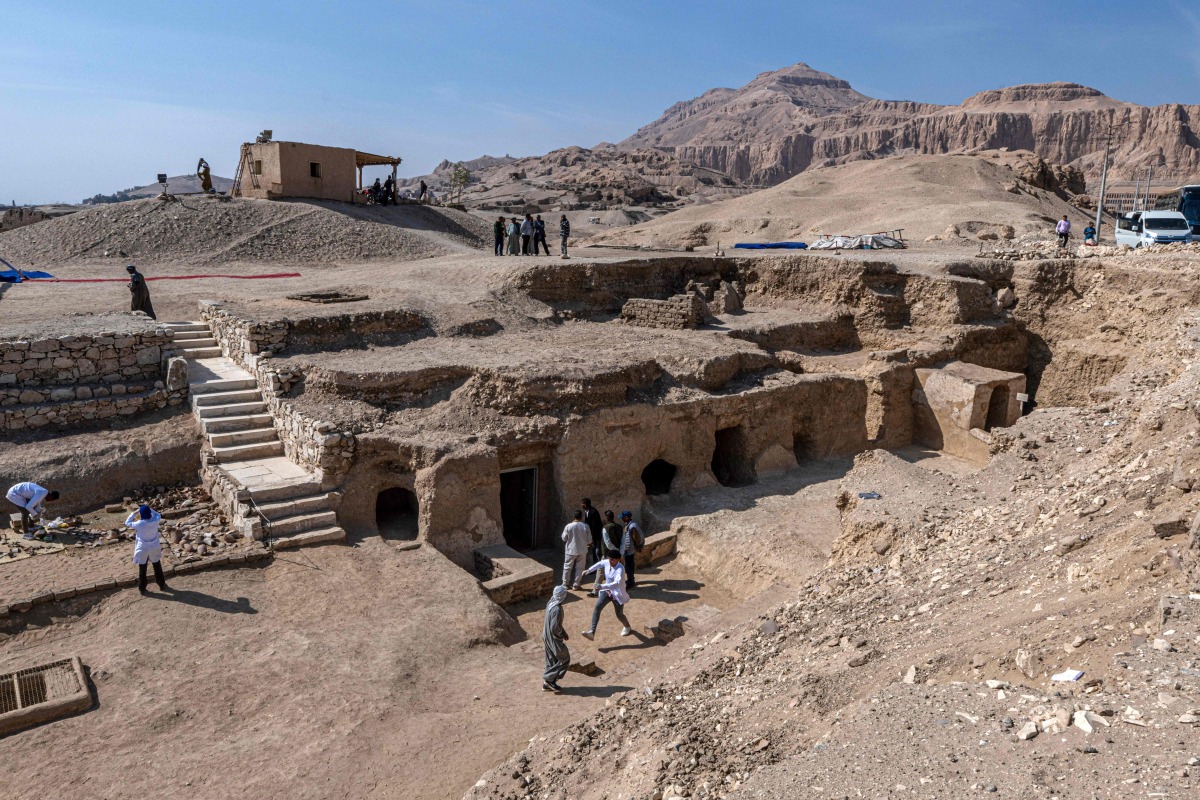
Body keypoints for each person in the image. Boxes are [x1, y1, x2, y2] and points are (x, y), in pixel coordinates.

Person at [580, 549, 632, 640]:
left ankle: (627, 626)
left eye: (612, 559)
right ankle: (592, 632)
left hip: (617, 594)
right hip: (607, 591)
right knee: (597, 608)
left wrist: (601, 586)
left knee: (619, 614)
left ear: (618, 560)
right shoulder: (608, 562)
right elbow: (599, 564)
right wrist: (588, 570)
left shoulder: (620, 569)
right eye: (609, 559)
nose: (610, 561)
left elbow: (616, 583)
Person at [125, 504, 169, 594]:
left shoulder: (139, 524)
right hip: (154, 547)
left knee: (142, 568)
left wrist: (134, 512)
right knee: (157, 566)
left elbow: (127, 522)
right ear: (149, 513)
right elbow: (158, 514)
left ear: (141, 514)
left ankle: (142, 588)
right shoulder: (155, 521)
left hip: (142, 548)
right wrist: (149, 508)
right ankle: (161, 584)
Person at [542, 585, 570, 692]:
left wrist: (563, 632)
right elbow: (554, 628)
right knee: (564, 659)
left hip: (546, 635)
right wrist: (559, 636)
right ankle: (549, 679)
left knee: (551, 659)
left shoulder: (550, 603)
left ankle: (547, 683)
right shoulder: (557, 609)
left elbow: (555, 625)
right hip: (553, 638)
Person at [590, 510, 623, 597]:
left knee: (600, 571)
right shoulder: (620, 527)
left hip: (608, 555)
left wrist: (615, 550)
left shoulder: (605, 528)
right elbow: (623, 541)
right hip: (618, 555)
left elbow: (608, 543)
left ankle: (595, 591)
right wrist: (619, 552)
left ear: (607, 517)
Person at [560, 510, 591, 590]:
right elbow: (590, 540)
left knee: (567, 567)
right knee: (580, 568)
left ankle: (565, 584)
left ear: (573, 517)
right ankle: (576, 585)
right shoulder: (585, 526)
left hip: (570, 550)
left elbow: (564, 538)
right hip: (582, 550)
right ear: (581, 517)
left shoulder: (568, 526)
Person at [619, 510, 643, 589]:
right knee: (630, 565)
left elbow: (636, 538)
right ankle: (631, 580)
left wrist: (638, 547)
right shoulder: (630, 525)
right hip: (629, 549)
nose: (622, 519)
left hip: (630, 550)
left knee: (629, 566)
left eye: (623, 518)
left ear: (627, 517)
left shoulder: (632, 526)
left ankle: (631, 582)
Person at [580, 498, 603, 567]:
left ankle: (599, 567)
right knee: (594, 551)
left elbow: (594, 526)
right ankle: (595, 566)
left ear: (585, 504)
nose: (581, 505)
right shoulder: (587, 511)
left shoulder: (593, 512)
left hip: (596, 535)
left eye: (582, 504)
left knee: (597, 551)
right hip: (592, 535)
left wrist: (591, 537)